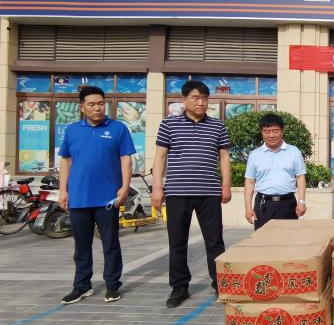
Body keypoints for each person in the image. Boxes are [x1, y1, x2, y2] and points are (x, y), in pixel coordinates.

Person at [152, 80, 232, 308]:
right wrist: (157, 187)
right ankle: (179, 287)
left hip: (209, 192)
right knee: (177, 241)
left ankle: (220, 284)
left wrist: (226, 185)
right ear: (184, 100)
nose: (201, 102)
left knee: (215, 241)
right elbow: (160, 157)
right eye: (196, 98)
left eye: (205, 98)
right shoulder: (169, 124)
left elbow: (224, 157)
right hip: (177, 192)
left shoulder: (218, 126)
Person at [58, 86, 136, 304]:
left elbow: (126, 160)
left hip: (107, 199)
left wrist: (125, 187)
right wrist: (63, 190)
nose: (97, 108)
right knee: (81, 246)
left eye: (101, 103)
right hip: (79, 198)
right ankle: (82, 286)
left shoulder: (118, 129)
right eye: (91, 104)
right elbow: (66, 160)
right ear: (82, 107)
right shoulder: (72, 130)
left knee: (110, 244)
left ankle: (112, 285)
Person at [244, 114, 307, 229]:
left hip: (288, 204)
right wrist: (248, 208)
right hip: (263, 205)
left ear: (282, 131)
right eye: (267, 131)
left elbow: (300, 177)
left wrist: (301, 202)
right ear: (262, 133)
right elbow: (250, 182)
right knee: (263, 239)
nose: (271, 135)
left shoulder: (294, 152)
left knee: (288, 238)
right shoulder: (255, 155)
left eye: (275, 131)